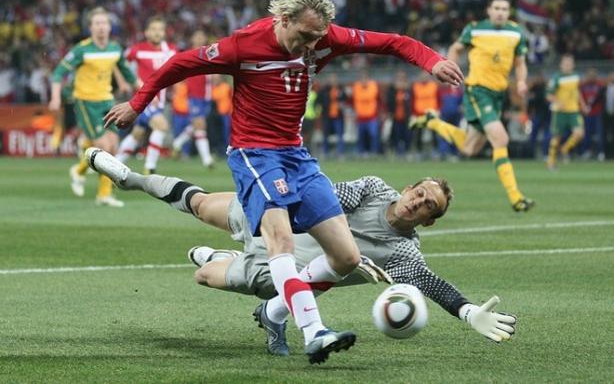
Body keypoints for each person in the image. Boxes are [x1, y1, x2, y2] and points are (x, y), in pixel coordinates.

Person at [102, 0, 463, 364]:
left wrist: (432, 62)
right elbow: (181, 64)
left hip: (296, 155)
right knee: (281, 241)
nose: (312, 45)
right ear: (284, 19)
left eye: (318, 37)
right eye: (305, 35)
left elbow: (392, 42)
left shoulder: (326, 38)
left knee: (346, 257)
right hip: (255, 154)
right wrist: (137, 104)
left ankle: (272, 312)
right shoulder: (243, 45)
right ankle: (314, 331)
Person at [86, 147, 517, 357]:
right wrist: (275, 219)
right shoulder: (372, 189)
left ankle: (221, 260)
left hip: (279, 273)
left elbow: (430, 283)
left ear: (429, 221)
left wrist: (467, 311)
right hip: (277, 218)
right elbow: (321, 201)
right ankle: (129, 177)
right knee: (199, 204)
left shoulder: (403, 253)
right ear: (408, 188)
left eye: (428, 207)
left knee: (204, 276)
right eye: (419, 193)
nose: (418, 203)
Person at [412, 0, 534, 212]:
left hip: (498, 96)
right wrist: (449, 71)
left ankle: (433, 122)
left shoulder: (516, 32)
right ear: (489, 10)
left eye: (504, 9)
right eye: (496, 8)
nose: (500, 12)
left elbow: (520, 62)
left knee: (469, 149)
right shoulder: (475, 29)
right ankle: (516, 198)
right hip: (478, 91)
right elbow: (455, 49)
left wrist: (522, 81)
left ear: (509, 12)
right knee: (501, 138)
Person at [48, 7, 137, 207]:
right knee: (104, 146)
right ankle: (102, 193)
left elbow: (129, 75)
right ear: (90, 28)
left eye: (104, 23)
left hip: (107, 100)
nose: (101, 27)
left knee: (113, 147)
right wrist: (55, 97)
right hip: (86, 102)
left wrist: (148, 92)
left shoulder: (115, 48)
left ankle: (81, 173)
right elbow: (58, 73)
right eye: (97, 23)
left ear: (110, 27)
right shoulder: (81, 49)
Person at [115, 16, 177, 174]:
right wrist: (122, 82)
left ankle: (114, 165)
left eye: (161, 29)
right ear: (146, 32)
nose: (157, 32)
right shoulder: (137, 50)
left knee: (137, 134)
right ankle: (150, 168)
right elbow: (118, 63)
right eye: (153, 29)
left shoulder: (170, 50)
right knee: (162, 126)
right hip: (145, 98)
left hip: (160, 101)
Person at [171, 30, 215, 168]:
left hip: (207, 96)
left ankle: (178, 142)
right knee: (200, 125)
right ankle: (207, 159)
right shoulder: (189, 54)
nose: (200, 39)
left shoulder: (211, 53)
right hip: (195, 95)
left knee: (196, 125)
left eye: (202, 36)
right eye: (197, 36)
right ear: (192, 39)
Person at [545, 55, 588, 169]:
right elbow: (548, 94)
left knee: (579, 133)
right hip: (560, 112)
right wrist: (558, 102)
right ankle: (551, 162)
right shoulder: (556, 78)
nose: (568, 65)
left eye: (570, 63)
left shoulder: (575, 76)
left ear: (573, 65)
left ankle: (565, 149)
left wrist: (583, 105)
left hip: (573, 110)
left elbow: (577, 91)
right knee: (556, 137)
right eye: (565, 63)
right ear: (561, 65)